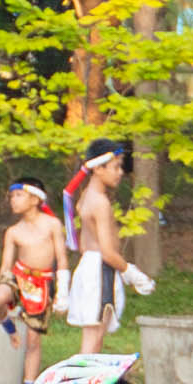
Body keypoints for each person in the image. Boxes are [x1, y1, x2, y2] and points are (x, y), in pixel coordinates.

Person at [59, 148, 143, 353]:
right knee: (93, 339)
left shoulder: (86, 197)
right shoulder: (100, 203)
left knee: (94, 338)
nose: (120, 172)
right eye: (116, 167)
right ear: (98, 168)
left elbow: (86, 244)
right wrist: (132, 273)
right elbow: (107, 252)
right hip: (100, 271)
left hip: (91, 266)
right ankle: (81, 375)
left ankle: (86, 374)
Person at [0, 179, 61, 364]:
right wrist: (1, 282)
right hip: (20, 274)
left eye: (19, 195)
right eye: (11, 196)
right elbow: (6, 264)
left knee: (32, 340)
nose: (13, 200)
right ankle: (8, 326)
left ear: (35, 199)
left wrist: (62, 291)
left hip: (42, 282)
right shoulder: (13, 231)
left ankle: (29, 382)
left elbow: (61, 259)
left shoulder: (52, 224)